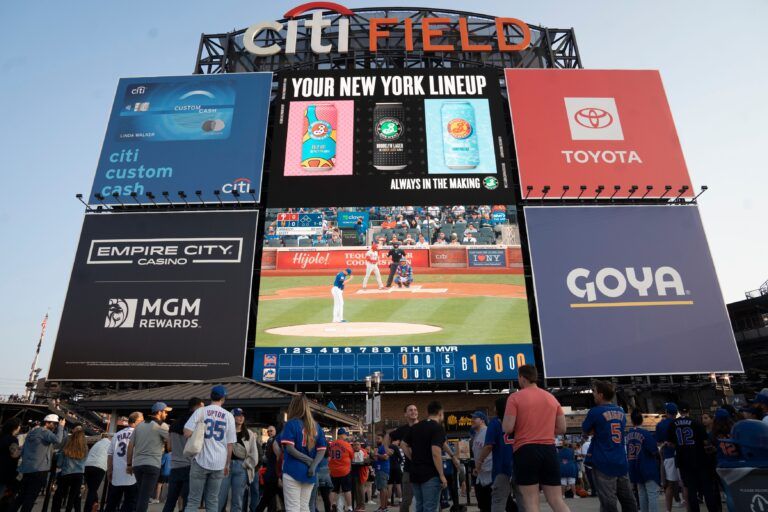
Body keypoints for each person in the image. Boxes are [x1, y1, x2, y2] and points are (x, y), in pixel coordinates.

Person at [502, 365, 569, 512]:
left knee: (531, 502)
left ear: (522, 377)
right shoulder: (551, 398)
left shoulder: (514, 398)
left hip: (526, 450)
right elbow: (562, 428)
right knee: (556, 500)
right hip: (549, 450)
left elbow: (507, 428)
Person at [582, 380, 636, 512]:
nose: (593, 395)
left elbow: (585, 430)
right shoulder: (621, 411)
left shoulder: (595, 412)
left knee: (608, 503)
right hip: (620, 461)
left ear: (600, 395)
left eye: (594, 392)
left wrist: (595, 430)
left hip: (603, 462)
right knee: (628, 500)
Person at [183, 385, 236, 512]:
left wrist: (200, 430)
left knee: (193, 500)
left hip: (200, 459)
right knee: (212, 500)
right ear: (223, 398)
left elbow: (187, 432)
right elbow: (230, 444)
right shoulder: (229, 416)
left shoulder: (201, 411)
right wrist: (227, 465)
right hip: (219, 462)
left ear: (211, 396)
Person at [665, 402, 719, 512]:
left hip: (683, 461)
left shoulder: (672, 424)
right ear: (689, 410)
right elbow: (705, 442)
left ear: (679, 411)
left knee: (691, 491)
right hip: (699, 459)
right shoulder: (696, 423)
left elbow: (671, 443)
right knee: (707, 489)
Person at [279, 395, 327, 512]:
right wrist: (313, 464)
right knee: (304, 507)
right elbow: (322, 450)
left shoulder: (291, 424)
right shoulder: (316, 426)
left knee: (293, 508)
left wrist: (308, 460)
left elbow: (289, 448)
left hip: (292, 470)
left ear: (294, 406)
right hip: (310, 472)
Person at [11, 414, 65, 512]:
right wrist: (61, 427)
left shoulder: (32, 432)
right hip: (39, 470)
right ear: (48, 423)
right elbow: (58, 440)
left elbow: (23, 450)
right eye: (55, 424)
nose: (55, 426)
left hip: (27, 469)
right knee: (30, 498)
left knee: (21, 497)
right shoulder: (45, 432)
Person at [401, 401, 447, 512]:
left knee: (420, 506)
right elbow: (436, 452)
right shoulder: (438, 428)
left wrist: (413, 458)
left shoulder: (416, 426)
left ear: (427, 412)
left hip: (415, 473)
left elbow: (403, 444)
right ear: (440, 413)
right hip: (430, 474)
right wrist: (441, 475)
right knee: (430, 507)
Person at [476, 396, 518, 512]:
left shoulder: (494, 423)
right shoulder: (517, 420)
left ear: (498, 408)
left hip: (502, 468)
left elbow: (489, 445)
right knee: (524, 500)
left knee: (498, 502)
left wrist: (479, 462)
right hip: (519, 465)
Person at [162, 398, 204, 512]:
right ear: (199, 406)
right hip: (189, 466)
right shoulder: (196, 424)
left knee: (170, 501)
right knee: (188, 502)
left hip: (174, 466)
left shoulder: (174, 424)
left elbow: (169, 448)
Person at [128, 402, 171, 512]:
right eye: (165, 412)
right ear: (159, 412)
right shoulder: (162, 426)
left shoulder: (139, 426)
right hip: (152, 464)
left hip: (137, 465)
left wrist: (129, 464)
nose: (166, 414)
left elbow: (130, 446)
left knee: (141, 494)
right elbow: (171, 446)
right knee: (144, 497)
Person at [218, 408, 260, 512]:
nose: (241, 417)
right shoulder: (224, 431)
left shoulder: (249, 434)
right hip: (225, 466)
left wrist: (246, 464)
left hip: (241, 467)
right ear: (232, 417)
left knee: (238, 499)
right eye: (238, 415)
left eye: (242, 415)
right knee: (220, 497)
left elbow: (254, 453)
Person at [106, 412, 144, 512]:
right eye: (142, 420)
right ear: (137, 422)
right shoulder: (139, 434)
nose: (143, 422)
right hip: (132, 474)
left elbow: (110, 454)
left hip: (117, 473)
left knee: (112, 503)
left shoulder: (117, 434)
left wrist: (109, 470)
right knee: (130, 503)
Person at [626, 410, 660, 512]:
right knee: (652, 493)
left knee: (641, 493)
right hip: (647, 465)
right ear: (642, 420)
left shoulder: (628, 435)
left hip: (634, 467)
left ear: (632, 421)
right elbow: (653, 450)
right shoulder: (645, 433)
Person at [655, 403, 686, 512]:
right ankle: (688, 507)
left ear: (666, 412)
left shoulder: (661, 425)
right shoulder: (680, 423)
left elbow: (658, 442)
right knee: (684, 484)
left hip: (669, 456)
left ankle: (669, 510)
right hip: (683, 455)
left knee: (669, 485)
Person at [389, 404, 419, 512]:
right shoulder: (402, 430)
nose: (413, 412)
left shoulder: (424, 426)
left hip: (424, 468)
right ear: (405, 414)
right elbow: (388, 436)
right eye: (410, 410)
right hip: (409, 470)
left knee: (428, 498)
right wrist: (387, 448)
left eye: (415, 410)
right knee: (406, 500)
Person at [52, 425, 88, 512]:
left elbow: (59, 464)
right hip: (79, 475)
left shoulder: (67, 448)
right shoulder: (85, 448)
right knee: (73, 497)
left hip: (66, 473)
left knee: (59, 495)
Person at [253, 426, 282, 512]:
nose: (269, 432)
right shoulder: (270, 442)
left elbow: (269, 458)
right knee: (268, 498)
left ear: (276, 431)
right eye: (268, 431)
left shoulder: (273, 441)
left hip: (272, 474)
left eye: (271, 431)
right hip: (273, 474)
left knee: (268, 498)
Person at [84, 433, 111, 512]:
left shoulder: (97, 443)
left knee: (92, 489)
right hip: (99, 466)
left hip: (87, 466)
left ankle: (95, 506)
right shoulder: (110, 444)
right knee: (92, 490)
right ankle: (88, 509)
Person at [328, 428, 354, 512]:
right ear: (342, 435)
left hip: (333, 471)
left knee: (333, 490)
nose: (346, 436)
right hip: (344, 471)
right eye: (345, 435)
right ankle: (349, 507)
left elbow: (328, 456)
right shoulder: (346, 444)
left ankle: (331, 506)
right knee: (347, 490)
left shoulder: (331, 444)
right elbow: (352, 456)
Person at [471, 412, 492, 512]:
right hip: (480, 474)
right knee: (483, 505)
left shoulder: (487, 431)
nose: (472, 420)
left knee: (502, 503)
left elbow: (489, 449)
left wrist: (479, 465)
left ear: (482, 420)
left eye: (475, 418)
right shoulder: (476, 435)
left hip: (490, 473)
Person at [0, 418, 22, 503]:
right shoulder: (13, 439)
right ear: (15, 427)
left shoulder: (2, 437)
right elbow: (14, 455)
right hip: (5, 472)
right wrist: (21, 450)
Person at [373, 433, 391, 512]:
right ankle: (383, 507)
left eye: (378, 438)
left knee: (383, 489)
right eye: (376, 438)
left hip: (382, 470)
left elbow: (386, 457)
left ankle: (383, 508)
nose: (377, 440)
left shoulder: (384, 447)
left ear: (383, 439)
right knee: (383, 488)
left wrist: (376, 454)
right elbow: (377, 459)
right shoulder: (380, 447)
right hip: (380, 470)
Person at [387, 438, 403, 508]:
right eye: (398, 441)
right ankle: (400, 500)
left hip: (389, 467)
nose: (398, 443)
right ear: (395, 440)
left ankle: (389, 501)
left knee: (390, 485)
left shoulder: (387, 447)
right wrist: (398, 464)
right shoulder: (395, 447)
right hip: (396, 468)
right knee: (398, 485)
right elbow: (401, 458)